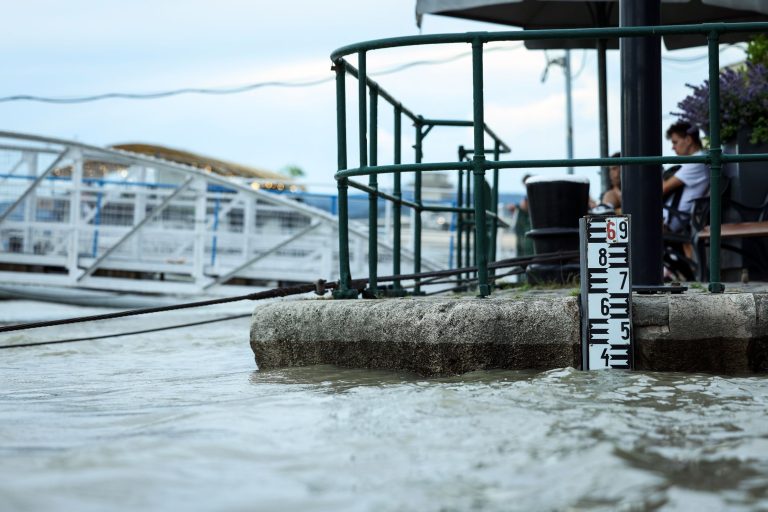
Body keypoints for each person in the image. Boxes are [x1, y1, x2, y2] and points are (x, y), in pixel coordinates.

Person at [663, 121, 709, 233]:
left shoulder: (697, 161)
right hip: (670, 217)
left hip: (670, 220)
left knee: (620, 221)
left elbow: (662, 189)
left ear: (688, 140)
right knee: (617, 219)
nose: (673, 147)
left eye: (675, 142)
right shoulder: (698, 160)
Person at [507, 174, 534, 257]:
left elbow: (526, 206)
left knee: (527, 249)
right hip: (525, 229)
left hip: (528, 229)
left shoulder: (533, 192)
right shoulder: (531, 192)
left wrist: (517, 207)